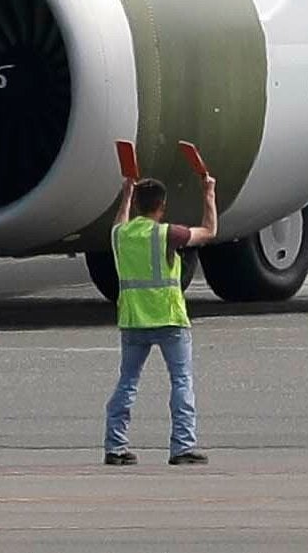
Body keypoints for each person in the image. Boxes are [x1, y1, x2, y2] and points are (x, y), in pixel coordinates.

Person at [103, 172, 217, 466]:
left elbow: (119, 222)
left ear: (138, 203)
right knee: (181, 381)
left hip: (133, 320)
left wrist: (126, 195)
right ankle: (182, 446)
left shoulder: (120, 235)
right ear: (162, 206)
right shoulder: (166, 234)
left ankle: (115, 446)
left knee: (127, 383)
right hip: (169, 318)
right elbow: (208, 232)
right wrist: (208, 194)